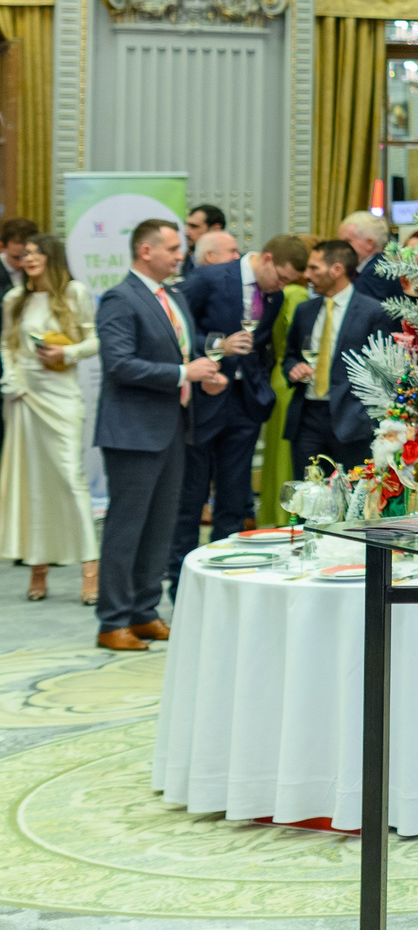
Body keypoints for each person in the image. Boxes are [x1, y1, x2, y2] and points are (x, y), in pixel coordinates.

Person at [93, 218, 225, 651]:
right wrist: (184, 372)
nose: (179, 254)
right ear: (145, 251)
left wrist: (202, 375)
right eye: (171, 248)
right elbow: (120, 365)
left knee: (161, 525)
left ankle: (144, 612)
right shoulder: (120, 298)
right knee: (127, 527)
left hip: (172, 427)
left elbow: (182, 353)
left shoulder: (173, 297)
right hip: (133, 432)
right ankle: (113, 620)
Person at [167, 234, 279, 590]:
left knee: (234, 496)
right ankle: (180, 580)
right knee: (192, 494)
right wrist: (217, 348)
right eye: (283, 277)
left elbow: (263, 343)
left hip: (245, 402)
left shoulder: (272, 292)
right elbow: (180, 328)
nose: (282, 286)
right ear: (268, 259)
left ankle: (227, 577)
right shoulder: (209, 277)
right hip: (204, 397)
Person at [1, 234, 98, 604]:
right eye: (24, 253)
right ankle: (37, 569)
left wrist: (67, 351)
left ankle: (91, 572)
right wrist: (12, 380)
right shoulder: (14, 298)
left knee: (71, 478)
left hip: (61, 396)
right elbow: (6, 344)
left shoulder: (74, 293)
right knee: (33, 482)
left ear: (52, 257)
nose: (28, 257)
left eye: (35, 252)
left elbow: (94, 342)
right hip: (24, 396)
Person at [283, 239, 396, 479]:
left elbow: (385, 370)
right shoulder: (305, 310)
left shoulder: (372, 312)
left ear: (336, 270)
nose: (307, 274)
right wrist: (293, 368)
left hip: (352, 420)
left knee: (353, 496)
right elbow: (290, 355)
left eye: (314, 268)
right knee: (307, 495)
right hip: (307, 418)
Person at [251, 236, 311, 526]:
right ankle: (287, 515)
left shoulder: (279, 294)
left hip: (277, 375)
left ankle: (273, 514)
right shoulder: (296, 294)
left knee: (277, 450)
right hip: (292, 378)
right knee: (288, 450)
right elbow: (297, 341)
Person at [338, 211, 399, 302]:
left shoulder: (374, 274)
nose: (341, 248)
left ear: (369, 244)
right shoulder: (380, 265)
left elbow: (363, 313)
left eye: (347, 242)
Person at [181, 203, 225, 278]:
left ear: (215, 229)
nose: (186, 232)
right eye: (187, 225)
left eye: (194, 226)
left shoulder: (231, 262)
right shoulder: (189, 258)